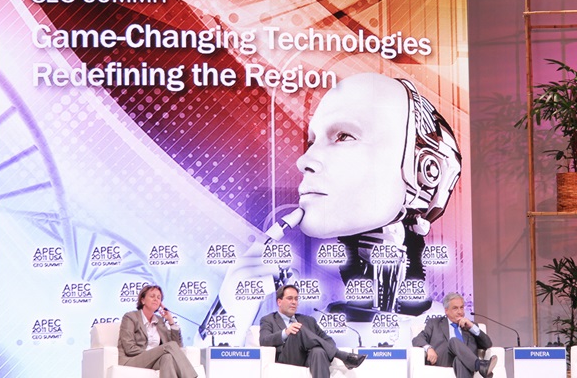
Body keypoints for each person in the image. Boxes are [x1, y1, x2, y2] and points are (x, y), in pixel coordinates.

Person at [205, 72, 463, 340]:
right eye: (312, 141)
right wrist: (233, 306)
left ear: (427, 169)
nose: (304, 160)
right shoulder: (311, 326)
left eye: (344, 136)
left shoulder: (441, 330)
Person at [259, 285, 367, 377]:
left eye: (296, 299)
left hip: (310, 358)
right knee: (297, 328)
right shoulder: (268, 320)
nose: (294, 302)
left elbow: (327, 340)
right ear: (279, 302)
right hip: (287, 357)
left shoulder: (309, 320)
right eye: (290, 298)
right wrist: (286, 332)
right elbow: (264, 340)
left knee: (318, 351)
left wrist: (322, 347)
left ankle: (341, 356)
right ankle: (342, 356)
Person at [118, 284, 198, 378]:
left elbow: (177, 346)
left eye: (158, 298)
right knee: (169, 347)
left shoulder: (159, 321)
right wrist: (153, 353)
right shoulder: (130, 317)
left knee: (167, 358)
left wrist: (171, 321)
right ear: (142, 300)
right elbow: (129, 348)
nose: (156, 299)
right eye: (152, 296)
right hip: (132, 360)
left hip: (152, 361)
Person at [412, 292, 497, 378]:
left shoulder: (471, 326)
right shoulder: (434, 323)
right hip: (443, 360)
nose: (460, 312)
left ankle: (477, 364)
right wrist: (429, 348)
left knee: (460, 360)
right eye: (455, 308)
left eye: (461, 307)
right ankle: (479, 365)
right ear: (446, 311)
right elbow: (417, 339)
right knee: (453, 341)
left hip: (466, 363)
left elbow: (488, 344)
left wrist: (471, 327)